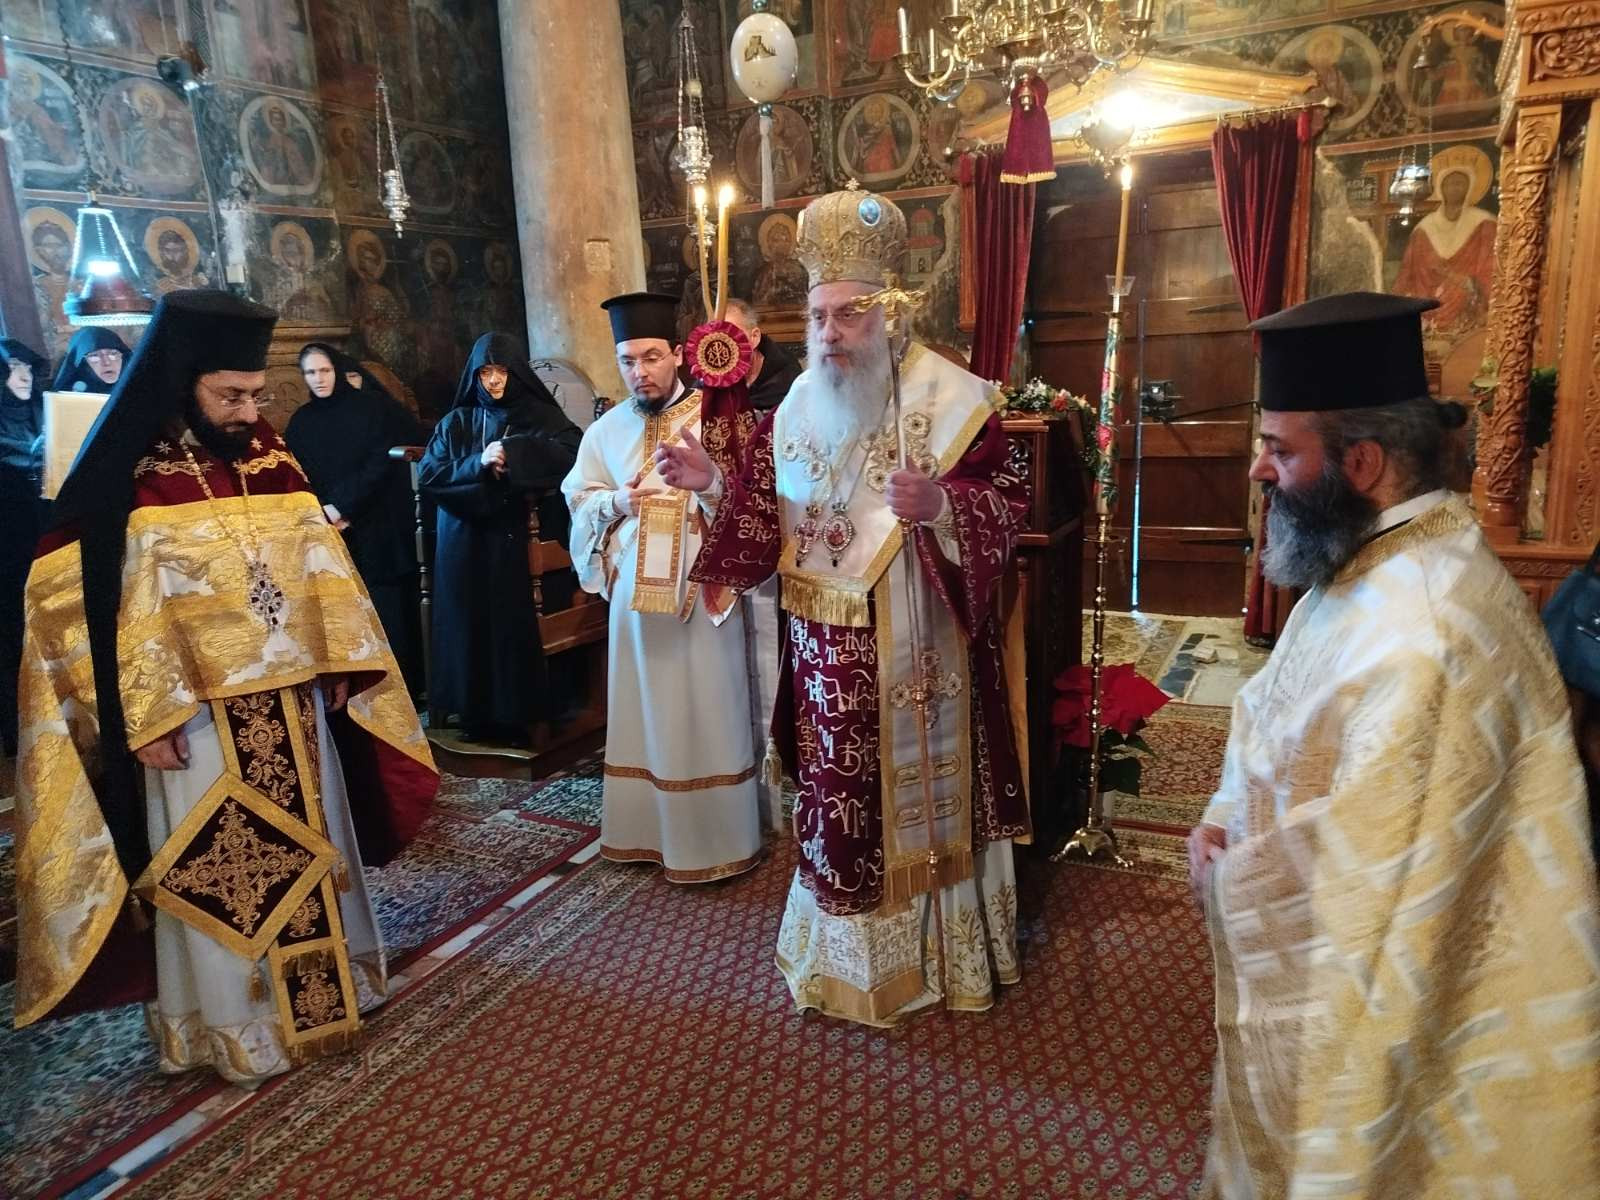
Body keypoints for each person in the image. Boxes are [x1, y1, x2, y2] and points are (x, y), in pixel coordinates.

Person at [1187, 292, 1600, 1196]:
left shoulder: (1428, 630)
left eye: (1279, 449)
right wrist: (1225, 812)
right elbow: (1272, 707)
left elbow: (1373, 886)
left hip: (1387, 1002)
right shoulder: (1375, 559)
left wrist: (1234, 876)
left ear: (1362, 461)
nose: (1259, 469)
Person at [11, 290, 439, 1085]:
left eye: (256, 394)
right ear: (183, 384)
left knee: (315, 851)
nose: (250, 411)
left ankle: (330, 992)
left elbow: (320, 567)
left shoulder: (271, 459)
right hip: (193, 720)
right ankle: (234, 1024)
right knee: (220, 865)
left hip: (296, 704)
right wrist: (136, 715)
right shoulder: (125, 475)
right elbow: (70, 603)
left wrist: (339, 661)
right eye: (231, 395)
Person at [661, 186, 1032, 1024]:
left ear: (891, 313)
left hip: (920, 644)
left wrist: (943, 507)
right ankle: (846, 963)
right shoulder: (795, 406)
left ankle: (943, 958)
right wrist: (714, 484)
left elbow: (1009, 505)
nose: (829, 333)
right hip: (825, 663)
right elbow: (767, 516)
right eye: (818, 316)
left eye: (849, 314)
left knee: (911, 800)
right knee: (838, 804)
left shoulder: (955, 402)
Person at [561, 292, 763, 883]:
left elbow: (753, 502)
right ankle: (646, 834)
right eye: (627, 361)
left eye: (651, 357)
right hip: (635, 607)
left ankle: (718, 840)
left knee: (709, 708)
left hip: (702, 598)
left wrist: (710, 485)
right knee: (644, 711)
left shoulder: (716, 419)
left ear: (677, 354)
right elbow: (578, 498)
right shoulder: (604, 431)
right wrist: (617, 502)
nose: (639, 372)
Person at [420, 333, 581, 743]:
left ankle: (517, 717)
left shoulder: (542, 416)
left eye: (502, 371)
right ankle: (473, 716)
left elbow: (570, 453)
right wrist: (479, 462)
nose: (493, 380)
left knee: (509, 630)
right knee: (467, 627)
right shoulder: (456, 422)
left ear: (516, 373)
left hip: (513, 541)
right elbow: (431, 474)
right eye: (485, 372)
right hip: (464, 543)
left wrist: (513, 453)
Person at [287, 343, 426, 694]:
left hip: (376, 521)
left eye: (324, 370)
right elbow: (298, 473)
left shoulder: (371, 408)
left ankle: (400, 690)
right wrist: (323, 511)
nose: (318, 379)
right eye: (310, 372)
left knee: (388, 611)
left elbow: (379, 463)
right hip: (327, 525)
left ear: (336, 370)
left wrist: (343, 508)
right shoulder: (301, 422)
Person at [0, 339, 48, 755]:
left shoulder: (43, 417)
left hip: (44, 543)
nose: (23, 376)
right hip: (7, 554)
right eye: (12, 367)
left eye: (27, 367)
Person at [724, 297, 801, 413]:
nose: (723, 348)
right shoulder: (708, 376)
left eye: (731, 337)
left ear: (754, 337)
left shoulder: (788, 381)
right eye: (715, 339)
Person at [52, 327, 131, 393]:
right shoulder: (69, 397)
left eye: (113, 354)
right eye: (94, 356)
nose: (107, 362)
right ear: (82, 364)